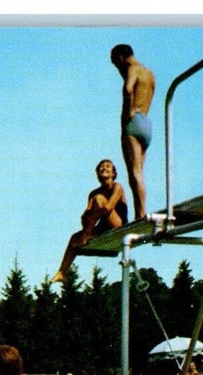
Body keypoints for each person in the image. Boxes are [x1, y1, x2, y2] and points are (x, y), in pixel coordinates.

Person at [50, 160, 127, 285]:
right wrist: (85, 221)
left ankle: (87, 234)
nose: (104, 168)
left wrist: (87, 231)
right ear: (97, 174)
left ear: (113, 173)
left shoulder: (117, 187)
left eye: (108, 167)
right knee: (74, 237)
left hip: (118, 224)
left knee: (100, 200)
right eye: (101, 167)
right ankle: (62, 272)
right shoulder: (93, 193)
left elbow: (108, 208)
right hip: (102, 226)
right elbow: (87, 214)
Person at [110, 43, 155, 220]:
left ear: (120, 58)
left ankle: (140, 214)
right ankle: (141, 211)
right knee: (139, 173)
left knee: (134, 173)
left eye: (116, 64)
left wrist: (128, 111)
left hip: (133, 123)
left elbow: (128, 88)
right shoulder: (150, 73)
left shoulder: (132, 69)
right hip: (146, 122)